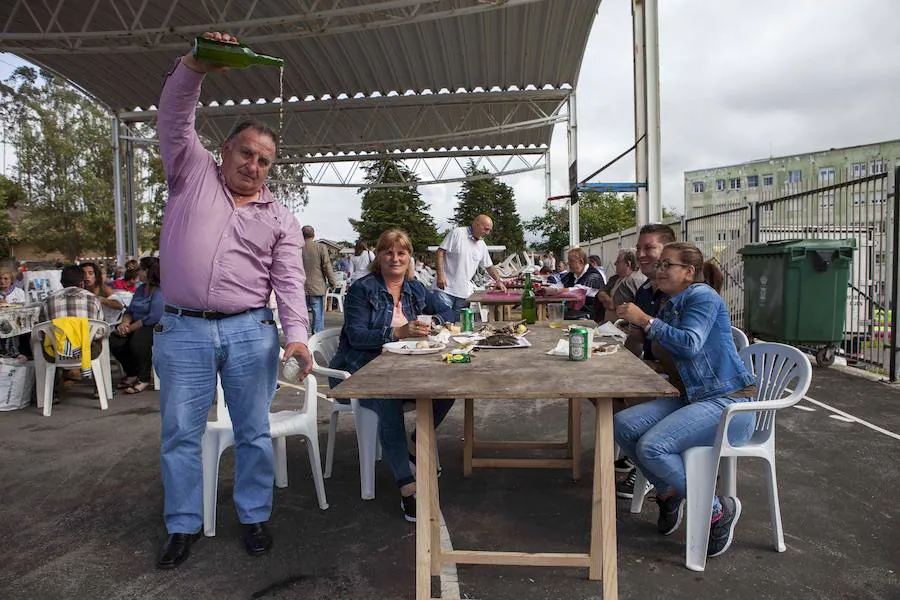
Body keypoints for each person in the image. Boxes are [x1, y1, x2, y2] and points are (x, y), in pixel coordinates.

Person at [153, 31, 312, 570]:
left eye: (265, 161)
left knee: (253, 432)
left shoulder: (280, 218)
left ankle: (254, 515)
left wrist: (296, 335)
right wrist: (195, 66)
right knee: (180, 433)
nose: (253, 165)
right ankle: (181, 524)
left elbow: (289, 281)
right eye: (246, 153)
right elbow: (174, 116)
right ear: (225, 150)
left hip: (250, 332)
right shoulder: (190, 172)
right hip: (183, 330)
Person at [613, 242, 756, 560]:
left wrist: (647, 322)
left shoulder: (702, 296)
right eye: (659, 264)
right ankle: (670, 492)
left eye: (667, 265)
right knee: (623, 424)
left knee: (653, 446)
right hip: (695, 398)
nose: (659, 270)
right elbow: (669, 352)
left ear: (689, 272)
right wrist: (635, 330)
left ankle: (718, 511)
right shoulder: (671, 304)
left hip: (729, 404)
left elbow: (690, 344)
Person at [329, 229, 456, 522]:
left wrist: (433, 323)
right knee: (387, 396)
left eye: (402, 253)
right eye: (388, 252)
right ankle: (406, 485)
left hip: (405, 367)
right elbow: (356, 335)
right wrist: (398, 332)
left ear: (409, 257)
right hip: (358, 370)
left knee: (449, 385)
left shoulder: (415, 288)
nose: (395, 258)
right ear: (379, 256)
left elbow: (447, 313)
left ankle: (414, 441)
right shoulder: (362, 289)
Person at [615, 223, 677, 499]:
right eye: (639, 248)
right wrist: (620, 362)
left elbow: (687, 347)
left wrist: (642, 320)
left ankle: (651, 469)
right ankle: (636, 453)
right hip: (652, 371)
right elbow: (638, 340)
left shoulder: (684, 295)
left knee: (617, 405)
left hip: (679, 381)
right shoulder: (644, 290)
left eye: (649, 247)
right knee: (599, 393)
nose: (640, 254)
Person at [433, 214, 507, 321]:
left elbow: (489, 266)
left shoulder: (482, 245)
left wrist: (498, 280)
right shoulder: (457, 233)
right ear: (476, 224)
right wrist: (440, 276)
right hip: (444, 290)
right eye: (486, 229)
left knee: (459, 327)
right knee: (443, 324)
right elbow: (440, 252)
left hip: (464, 294)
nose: (487, 233)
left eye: (489, 230)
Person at [109, 257, 163, 395]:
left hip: (154, 326)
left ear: (148, 272)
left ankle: (143, 378)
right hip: (134, 323)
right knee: (115, 341)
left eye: (140, 269)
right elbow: (130, 310)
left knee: (138, 341)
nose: (137, 273)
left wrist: (129, 329)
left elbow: (153, 317)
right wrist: (124, 323)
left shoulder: (160, 291)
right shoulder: (140, 289)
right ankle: (131, 373)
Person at [542, 247, 604, 320]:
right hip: (573, 312)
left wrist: (555, 291)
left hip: (588, 315)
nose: (568, 263)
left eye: (571, 260)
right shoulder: (572, 274)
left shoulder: (594, 276)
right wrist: (547, 289)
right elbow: (559, 284)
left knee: (553, 317)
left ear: (581, 261)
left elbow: (577, 291)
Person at [593, 248, 646, 323]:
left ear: (628, 264)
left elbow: (612, 305)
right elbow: (601, 293)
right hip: (610, 326)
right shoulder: (615, 278)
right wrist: (607, 299)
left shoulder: (631, 281)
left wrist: (606, 299)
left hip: (620, 328)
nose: (614, 263)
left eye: (618, 261)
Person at [301, 225, 337, 335]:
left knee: (301, 313)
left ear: (302, 235)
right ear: (313, 235)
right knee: (318, 314)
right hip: (317, 286)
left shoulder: (296, 248)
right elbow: (326, 266)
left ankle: (301, 335)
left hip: (300, 286)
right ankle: (317, 335)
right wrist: (332, 282)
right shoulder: (320, 247)